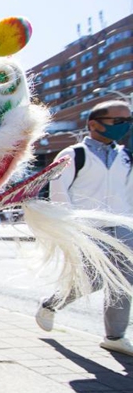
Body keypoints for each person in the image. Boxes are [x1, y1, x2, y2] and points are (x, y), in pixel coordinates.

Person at [36, 100, 133, 356]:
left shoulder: (126, 156)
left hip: (123, 227)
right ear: (94, 124)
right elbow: (58, 191)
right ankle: (51, 304)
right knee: (94, 279)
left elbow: (130, 192)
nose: (125, 126)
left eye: (128, 121)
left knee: (123, 282)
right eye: (118, 121)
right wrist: (71, 228)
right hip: (88, 227)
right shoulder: (73, 155)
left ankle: (115, 336)